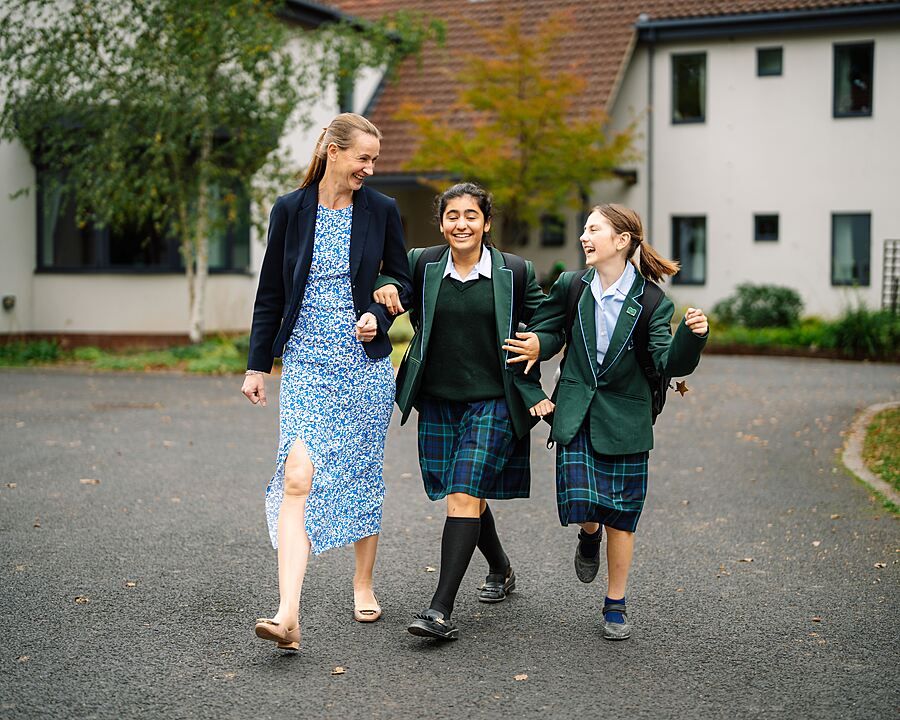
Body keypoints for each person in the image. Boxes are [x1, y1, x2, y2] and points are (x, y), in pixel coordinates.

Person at [242, 113, 412, 651]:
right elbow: (271, 289)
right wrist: (256, 364)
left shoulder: (380, 210)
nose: (369, 168)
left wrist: (380, 313)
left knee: (361, 472)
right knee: (297, 477)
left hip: (363, 367)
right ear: (333, 151)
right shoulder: (290, 210)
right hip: (306, 364)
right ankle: (288, 612)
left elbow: (401, 277)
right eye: (363, 157)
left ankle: (363, 581)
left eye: (374, 160)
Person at [504, 203, 708, 641]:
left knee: (622, 516)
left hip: (627, 420)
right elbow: (550, 328)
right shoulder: (572, 286)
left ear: (621, 240)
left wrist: (692, 336)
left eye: (593, 229)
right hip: (576, 413)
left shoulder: (653, 302)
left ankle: (615, 603)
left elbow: (666, 361)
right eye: (584, 228)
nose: (584, 236)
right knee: (584, 505)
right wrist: (539, 343)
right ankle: (587, 534)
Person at [373, 183, 549, 641]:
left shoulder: (514, 271)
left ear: (486, 223)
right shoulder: (422, 263)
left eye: (471, 215)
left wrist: (540, 342)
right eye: (452, 215)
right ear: (442, 221)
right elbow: (389, 287)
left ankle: (439, 611)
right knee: (463, 493)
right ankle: (501, 568)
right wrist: (384, 292)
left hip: (495, 399)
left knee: (463, 493)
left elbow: (548, 320)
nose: (461, 224)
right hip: (437, 399)